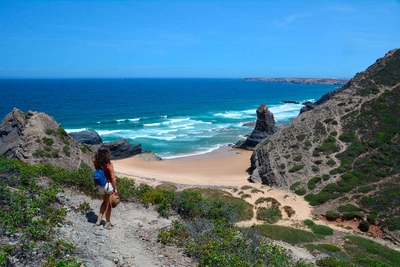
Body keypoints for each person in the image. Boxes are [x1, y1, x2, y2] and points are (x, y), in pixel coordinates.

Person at [93, 145, 118, 230]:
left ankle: (99, 219)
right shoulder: (109, 163)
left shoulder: (96, 162)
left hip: (100, 186)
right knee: (108, 204)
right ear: (107, 153)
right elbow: (113, 177)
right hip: (108, 185)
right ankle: (107, 223)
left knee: (104, 202)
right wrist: (115, 189)